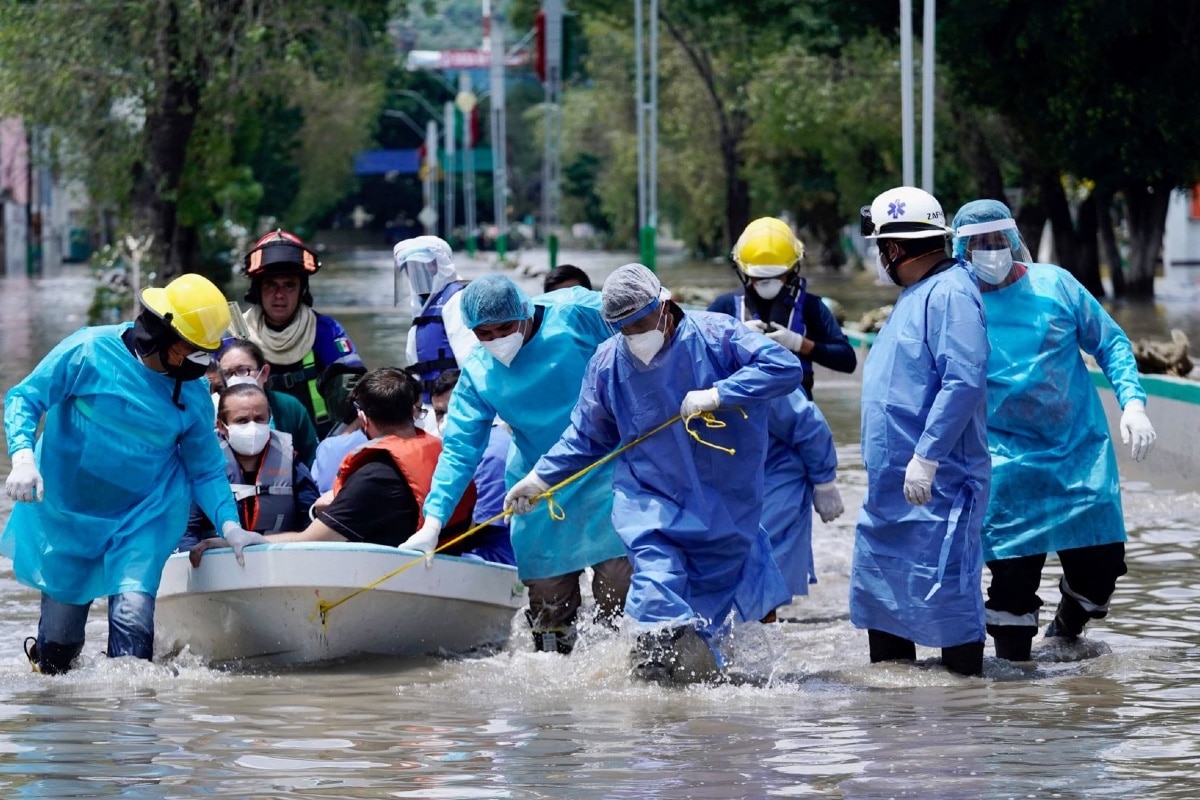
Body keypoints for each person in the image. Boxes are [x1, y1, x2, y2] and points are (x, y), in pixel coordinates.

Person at [505, 263, 803, 684]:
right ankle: (651, 685)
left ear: (665, 306)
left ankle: (696, 698)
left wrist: (721, 393)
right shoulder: (609, 362)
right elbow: (588, 436)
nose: (634, 336)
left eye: (640, 322)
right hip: (649, 499)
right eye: (623, 329)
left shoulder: (718, 337)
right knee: (655, 588)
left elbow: (784, 368)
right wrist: (540, 479)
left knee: (707, 614)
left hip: (724, 502)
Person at [3, 273, 265, 674]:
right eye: (189, 351)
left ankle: (134, 726)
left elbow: (206, 468)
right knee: (58, 652)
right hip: (69, 512)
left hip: (143, 514)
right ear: (159, 333)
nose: (197, 364)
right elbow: (25, 397)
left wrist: (230, 525)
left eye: (203, 354)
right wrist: (22, 456)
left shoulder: (190, 391)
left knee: (132, 622)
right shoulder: (88, 351)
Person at [950, 199, 1158, 661]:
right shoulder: (957, 303)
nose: (990, 251)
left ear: (1013, 240)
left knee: (1101, 572)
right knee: (1011, 592)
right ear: (960, 250)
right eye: (977, 244)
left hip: (1078, 454)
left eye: (996, 240)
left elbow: (1111, 343)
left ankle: (1066, 629)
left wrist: (1133, 404)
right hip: (1005, 465)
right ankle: (1015, 703)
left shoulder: (1056, 286)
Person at [400, 274, 631, 655]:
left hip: (607, 470)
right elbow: (459, 450)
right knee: (549, 614)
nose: (496, 340)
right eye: (484, 333)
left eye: (504, 328)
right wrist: (434, 521)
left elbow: (652, 322)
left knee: (619, 591)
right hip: (535, 489)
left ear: (525, 311)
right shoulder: (477, 373)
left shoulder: (575, 313)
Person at [852, 186, 991, 677]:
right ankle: (896, 733)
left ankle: (963, 716)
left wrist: (927, 456)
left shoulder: (950, 293)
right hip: (891, 494)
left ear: (893, 248)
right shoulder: (917, 295)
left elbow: (964, 379)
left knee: (948, 602)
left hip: (939, 486)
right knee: (886, 608)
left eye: (878, 247)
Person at [190, 368, 480, 562]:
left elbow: (311, 541)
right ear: (415, 411)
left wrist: (244, 540)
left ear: (363, 419)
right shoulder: (449, 459)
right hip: (449, 566)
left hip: (397, 581)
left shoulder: (374, 476)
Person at [708, 217, 856, 400]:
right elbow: (696, 355)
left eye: (778, 276)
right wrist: (732, 340)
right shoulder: (726, 306)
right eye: (758, 277)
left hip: (796, 415)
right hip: (741, 411)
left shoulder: (811, 306)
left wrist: (800, 344)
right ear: (742, 271)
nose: (767, 283)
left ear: (793, 270)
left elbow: (847, 360)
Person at [239, 229, 366, 438]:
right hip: (252, 440)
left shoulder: (325, 330)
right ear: (257, 290)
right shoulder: (238, 333)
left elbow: (358, 393)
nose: (279, 295)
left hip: (317, 440)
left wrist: (337, 446)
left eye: (289, 285)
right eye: (271, 285)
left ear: (302, 291)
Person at [178, 383, 320, 551]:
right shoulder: (203, 468)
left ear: (269, 419)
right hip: (218, 565)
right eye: (242, 421)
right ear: (222, 425)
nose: (253, 427)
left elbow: (311, 523)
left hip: (278, 562)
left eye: (259, 419)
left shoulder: (291, 464)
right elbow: (186, 532)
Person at [762, 389, 844, 617]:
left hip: (775, 479)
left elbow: (807, 423)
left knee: (760, 576)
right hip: (734, 481)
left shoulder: (743, 367)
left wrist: (824, 481)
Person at [430, 368, 516, 566]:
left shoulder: (491, 454)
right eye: (440, 413)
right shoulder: (460, 451)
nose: (445, 420)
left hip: (499, 559)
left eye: (453, 409)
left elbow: (474, 530)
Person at [395, 235, 475, 402]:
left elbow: (472, 365)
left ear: (440, 265)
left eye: (423, 266)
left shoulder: (457, 301)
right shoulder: (421, 308)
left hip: (457, 405)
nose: (416, 273)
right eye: (410, 268)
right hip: (430, 406)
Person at [216, 339, 320, 467]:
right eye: (227, 374)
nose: (235, 378)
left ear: (264, 373)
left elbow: (312, 461)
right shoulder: (211, 412)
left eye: (243, 370)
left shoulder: (289, 407)